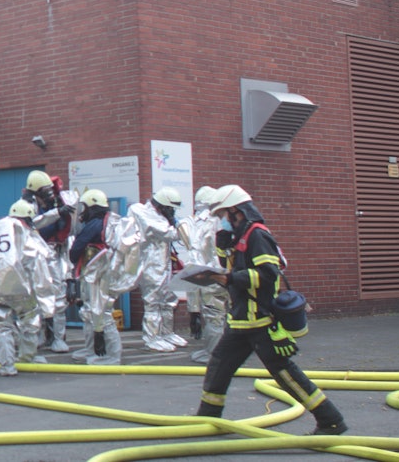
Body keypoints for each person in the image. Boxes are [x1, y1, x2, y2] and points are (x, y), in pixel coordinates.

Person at [193, 184, 348, 435]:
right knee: (219, 366)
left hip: (260, 321)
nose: (222, 221)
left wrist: (229, 279)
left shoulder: (257, 235)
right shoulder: (240, 236)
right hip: (241, 321)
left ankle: (331, 420)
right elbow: (233, 267)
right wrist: (223, 248)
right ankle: (207, 419)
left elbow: (267, 274)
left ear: (236, 212)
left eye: (223, 216)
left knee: (285, 374)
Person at [0, 200, 54, 376]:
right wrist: (49, 311)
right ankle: (26, 359)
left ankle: (7, 366)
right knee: (30, 320)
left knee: (2, 326)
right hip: (22, 289)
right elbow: (40, 271)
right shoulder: (27, 233)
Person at [20, 170, 75, 352]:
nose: (49, 194)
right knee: (34, 300)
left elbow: (66, 239)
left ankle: (57, 338)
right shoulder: (25, 206)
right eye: (45, 190)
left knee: (58, 299)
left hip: (55, 254)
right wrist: (56, 213)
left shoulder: (56, 204)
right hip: (36, 258)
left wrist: (70, 274)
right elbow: (32, 224)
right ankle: (34, 338)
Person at [127, 187, 188, 351]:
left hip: (164, 262)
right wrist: (174, 221)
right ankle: (152, 337)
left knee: (168, 299)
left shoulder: (157, 215)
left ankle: (166, 333)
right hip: (151, 264)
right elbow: (172, 234)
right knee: (153, 301)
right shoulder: (144, 213)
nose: (172, 212)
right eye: (171, 208)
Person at [69, 189, 124, 364]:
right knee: (90, 313)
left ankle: (113, 356)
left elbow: (77, 247)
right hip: (100, 275)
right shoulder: (111, 222)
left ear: (92, 207)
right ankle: (93, 350)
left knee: (102, 314)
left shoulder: (95, 225)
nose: (82, 212)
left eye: (84, 207)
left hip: (98, 276)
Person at [175, 186, 228, 363]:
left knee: (213, 315)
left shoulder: (194, 224)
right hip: (221, 275)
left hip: (208, 276)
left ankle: (214, 353)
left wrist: (193, 309)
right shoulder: (221, 221)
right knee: (218, 315)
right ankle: (215, 351)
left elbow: (194, 260)